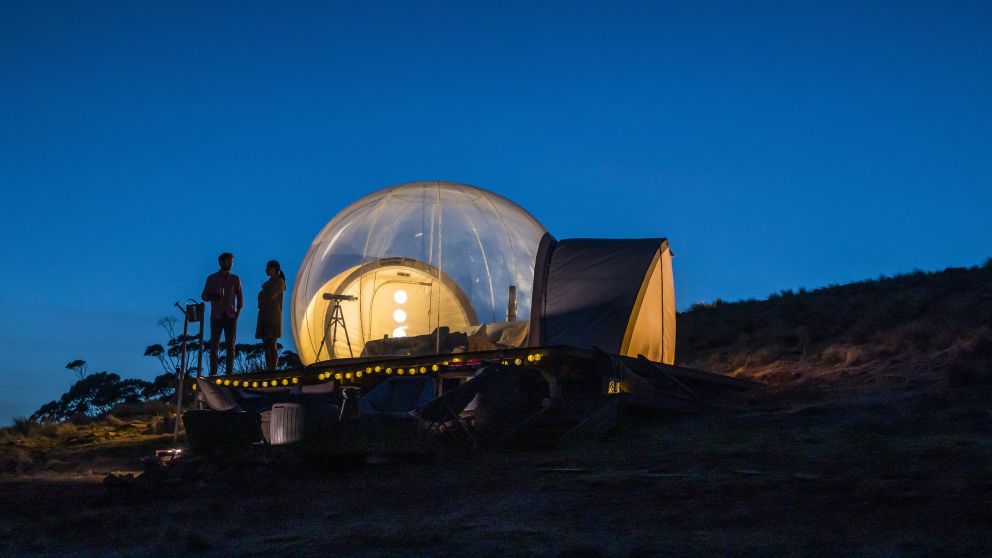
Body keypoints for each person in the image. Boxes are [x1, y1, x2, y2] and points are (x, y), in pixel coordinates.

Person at [201, 252, 243, 376]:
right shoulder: (212, 278)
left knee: (231, 345)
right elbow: (204, 296)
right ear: (221, 262)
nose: (230, 264)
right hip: (216, 316)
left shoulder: (235, 279)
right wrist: (213, 296)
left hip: (230, 316)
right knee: (214, 345)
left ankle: (229, 372)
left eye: (232, 262)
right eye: (228, 261)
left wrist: (237, 314)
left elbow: (240, 299)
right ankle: (213, 372)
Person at [256, 260, 286, 372]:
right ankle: (268, 368)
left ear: (273, 269)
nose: (266, 270)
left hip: (273, 316)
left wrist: (263, 293)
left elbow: (269, 296)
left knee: (272, 343)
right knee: (266, 345)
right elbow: (260, 301)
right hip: (264, 315)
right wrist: (262, 294)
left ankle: (273, 369)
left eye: (267, 268)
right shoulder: (267, 283)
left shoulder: (279, 282)